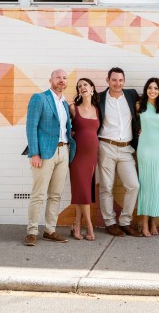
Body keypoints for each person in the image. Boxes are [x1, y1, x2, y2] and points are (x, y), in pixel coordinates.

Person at [23, 69, 76, 246]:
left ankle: (50, 230)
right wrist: (34, 153)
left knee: (55, 194)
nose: (61, 80)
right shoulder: (40, 98)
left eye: (64, 78)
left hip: (63, 151)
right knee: (39, 194)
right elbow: (31, 127)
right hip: (44, 153)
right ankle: (32, 231)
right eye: (58, 77)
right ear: (50, 80)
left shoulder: (64, 104)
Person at [97, 67, 142, 237]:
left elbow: (146, 107)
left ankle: (125, 222)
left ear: (124, 81)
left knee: (133, 185)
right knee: (106, 187)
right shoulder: (99, 98)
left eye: (121, 80)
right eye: (114, 80)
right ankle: (110, 222)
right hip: (106, 146)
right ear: (108, 80)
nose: (118, 83)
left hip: (126, 149)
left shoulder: (131, 95)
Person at [136, 77, 159, 237]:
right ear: (146, 89)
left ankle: (153, 221)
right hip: (144, 147)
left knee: (157, 184)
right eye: (150, 87)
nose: (153, 91)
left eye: (156, 88)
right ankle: (144, 222)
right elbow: (134, 124)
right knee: (145, 184)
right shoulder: (139, 105)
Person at [68, 78, 100, 241]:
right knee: (83, 191)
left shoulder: (97, 109)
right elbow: (63, 126)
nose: (82, 87)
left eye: (85, 84)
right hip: (77, 156)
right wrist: (70, 134)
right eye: (79, 86)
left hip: (92, 156)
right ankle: (89, 226)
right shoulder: (73, 108)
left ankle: (76, 225)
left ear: (92, 88)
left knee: (84, 192)